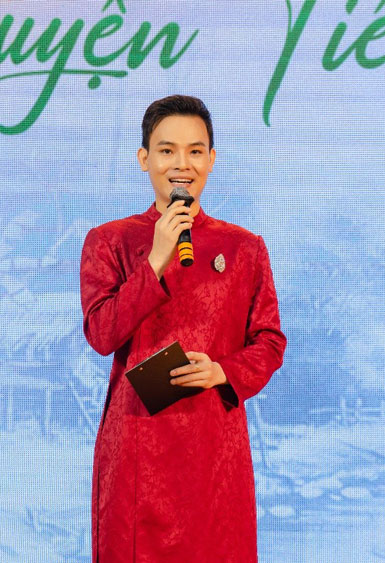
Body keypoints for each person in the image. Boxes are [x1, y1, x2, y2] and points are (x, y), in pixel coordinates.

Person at [79, 94, 286, 562]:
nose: (182, 164)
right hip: (138, 445)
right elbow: (102, 334)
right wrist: (156, 258)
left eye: (195, 151)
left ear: (211, 159)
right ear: (144, 158)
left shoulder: (245, 248)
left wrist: (223, 371)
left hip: (214, 448)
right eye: (167, 150)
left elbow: (270, 342)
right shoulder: (109, 241)